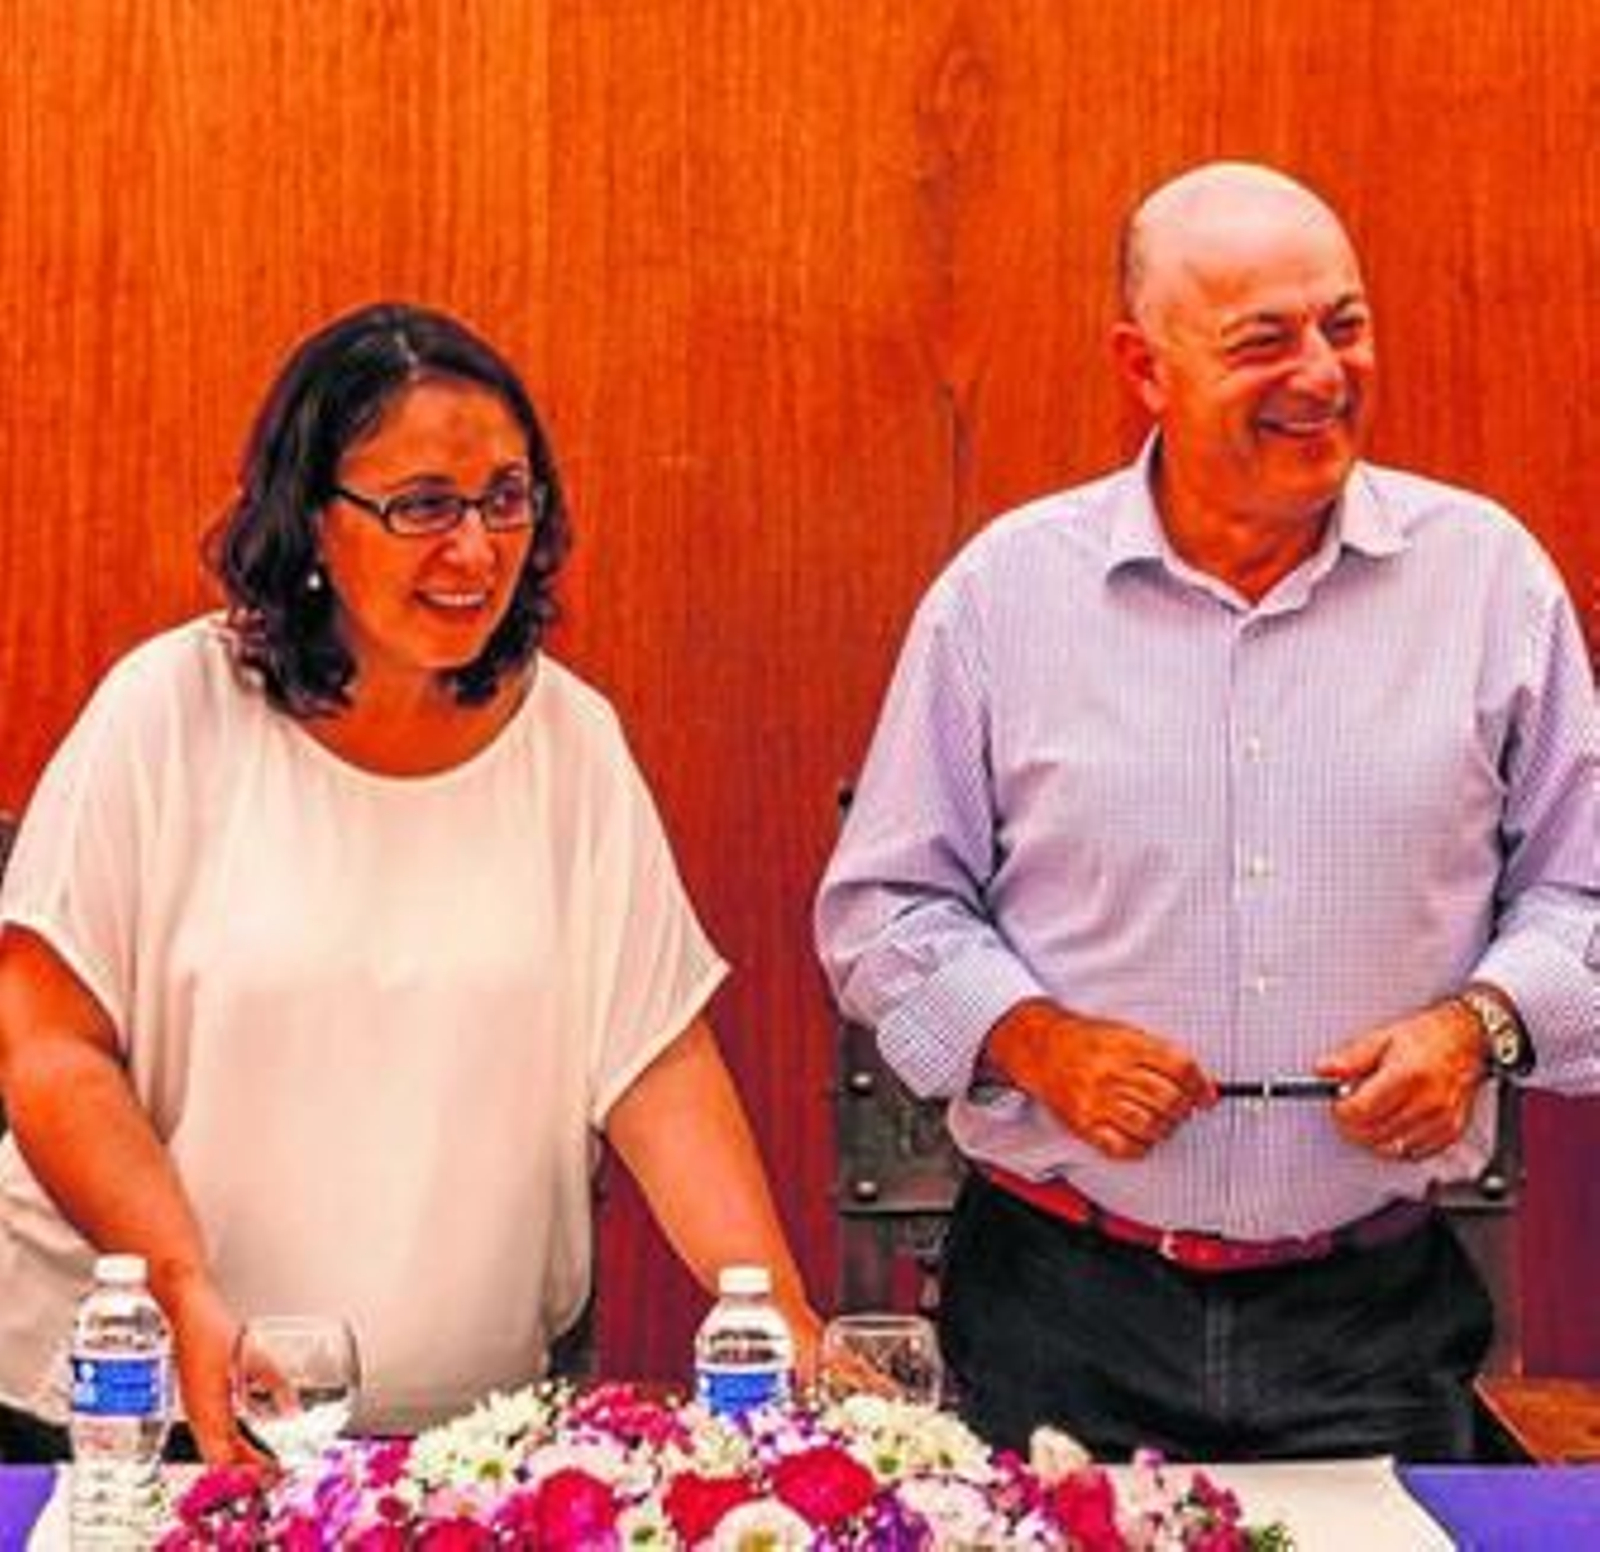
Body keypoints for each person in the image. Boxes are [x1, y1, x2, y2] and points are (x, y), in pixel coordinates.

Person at [816, 162, 1599, 1462]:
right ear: (1144, 367)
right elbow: (882, 909)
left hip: (1374, 1318)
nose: (1322, 373)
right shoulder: (1006, 596)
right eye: (1263, 341)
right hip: (1057, 1310)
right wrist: (1030, 1037)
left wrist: (1482, 1027)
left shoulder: (1489, 585)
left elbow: (1585, 892)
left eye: (1343, 325)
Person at [0, 301, 819, 1463]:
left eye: (506, 499)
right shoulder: (168, 712)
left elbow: (655, 1061)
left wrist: (770, 1307)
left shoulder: (570, 741)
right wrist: (180, 1284)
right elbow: (48, 1041)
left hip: (458, 1433)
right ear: (312, 522)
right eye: (424, 506)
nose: (478, 549)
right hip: (143, 1408)